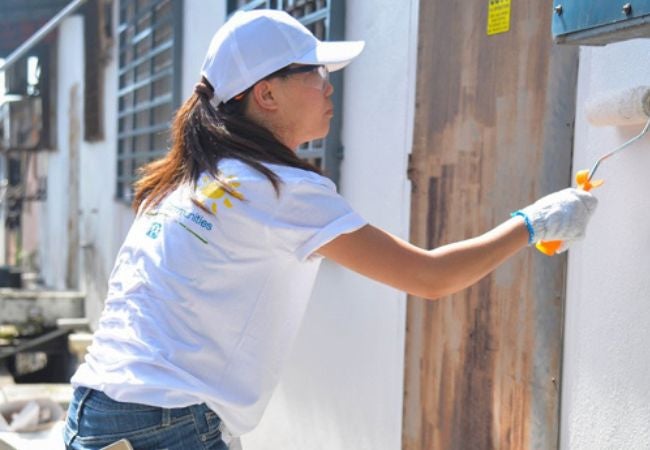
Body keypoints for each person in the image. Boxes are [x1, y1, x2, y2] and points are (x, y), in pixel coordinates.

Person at [63, 9, 597, 450]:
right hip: (165, 424)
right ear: (266, 94)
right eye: (313, 72)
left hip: (95, 410)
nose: (327, 84)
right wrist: (532, 222)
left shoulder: (187, 179)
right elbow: (430, 277)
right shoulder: (279, 188)